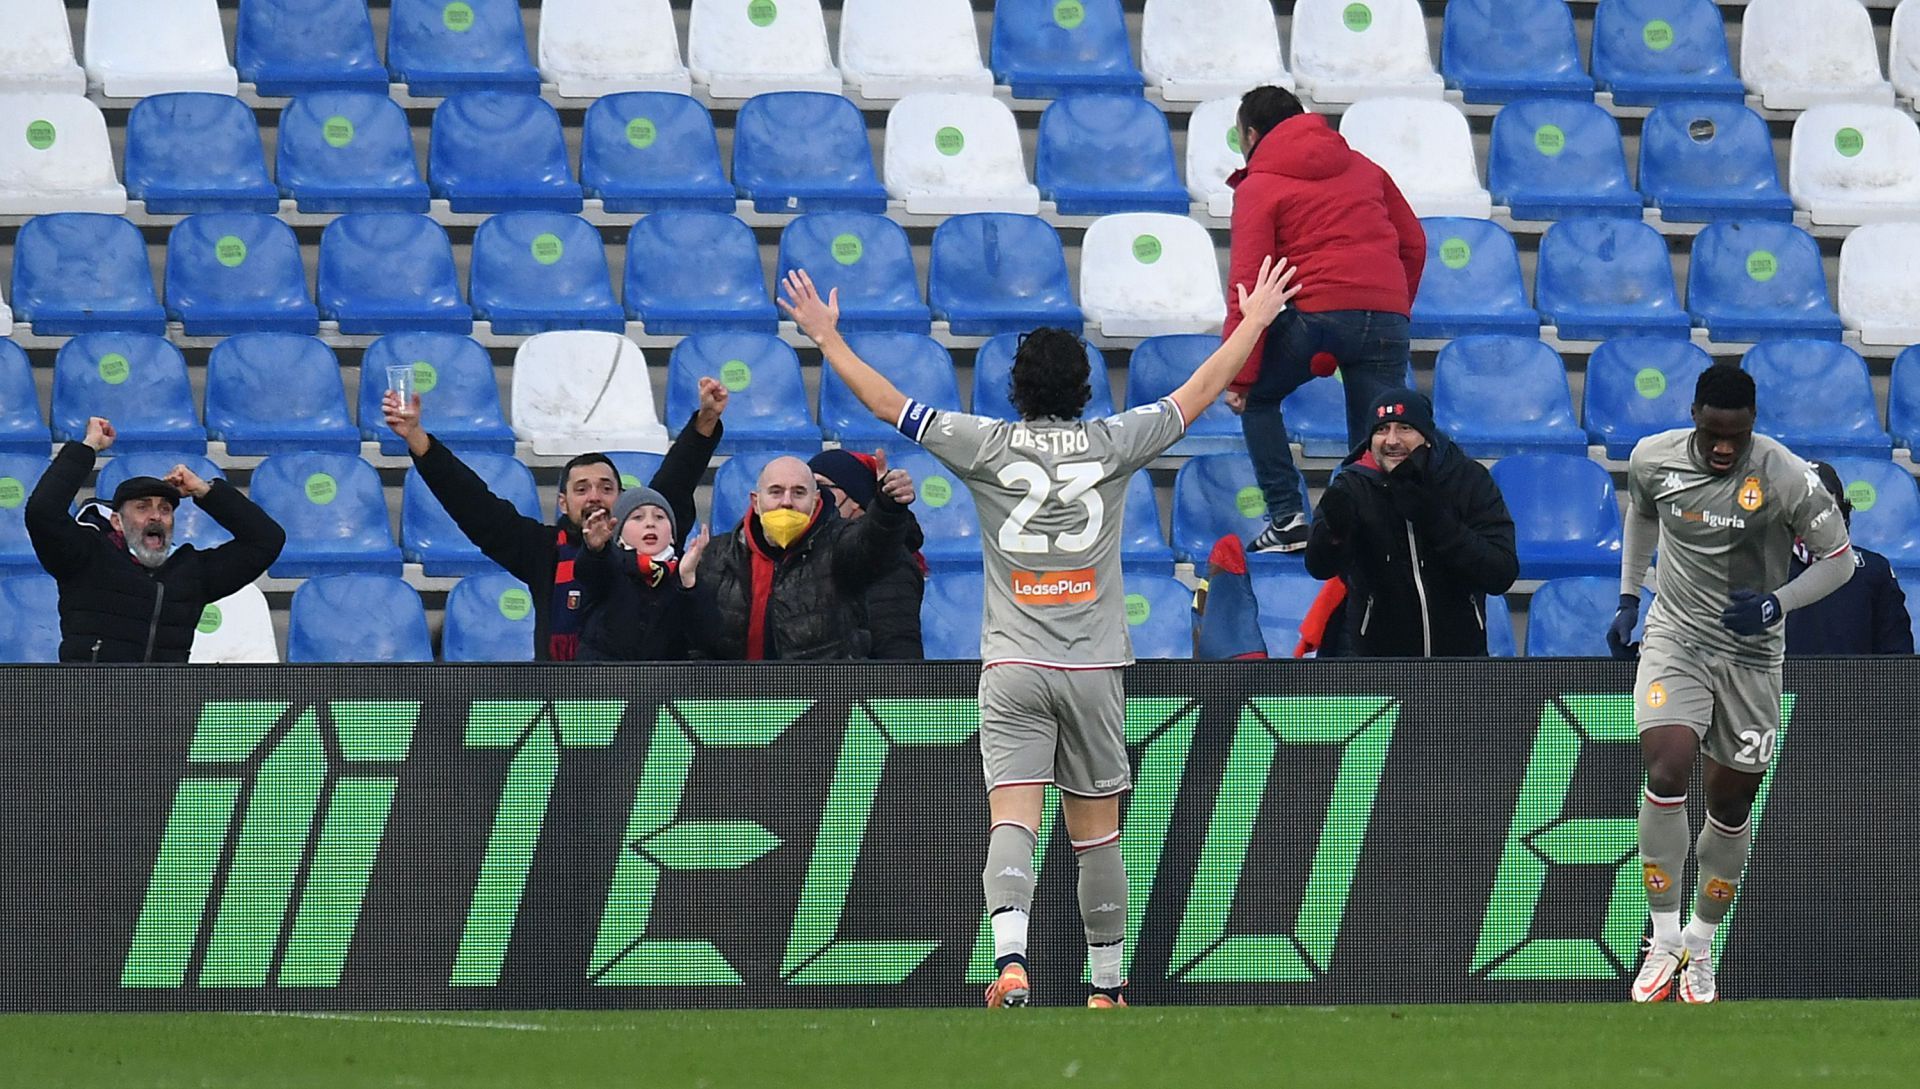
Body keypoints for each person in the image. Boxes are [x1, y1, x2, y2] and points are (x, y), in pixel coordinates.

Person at [779, 255, 1300, 1009]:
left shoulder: (986, 443)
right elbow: (1197, 393)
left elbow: (891, 403)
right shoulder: (1115, 441)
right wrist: (1252, 323)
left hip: (1014, 663)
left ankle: (1012, 961)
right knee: (1097, 835)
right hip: (1093, 666)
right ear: (1085, 389)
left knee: (1014, 818)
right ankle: (1106, 988)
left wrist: (827, 337)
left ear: (1015, 389)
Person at [1610, 365, 1854, 1004]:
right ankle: (1663, 937)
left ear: (1753, 425)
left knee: (1731, 803)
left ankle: (1700, 942)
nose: (1724, 447)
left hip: (1751, 658)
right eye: (1713, 433)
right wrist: (1630, 596)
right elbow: (1642, 515)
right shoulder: (1653, 459)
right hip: (1677, 638)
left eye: (1736, 436)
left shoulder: (1785, 475)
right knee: (1666, 766)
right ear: (1693, 415)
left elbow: (1840, 561)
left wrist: (1778, 603)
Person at [383, 378, 727, 661]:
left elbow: (678, 478)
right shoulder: (543, 550)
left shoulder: (650, 534)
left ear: (622, 499)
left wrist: (706, 420)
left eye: (606, 488)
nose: (595, 496)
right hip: (561, 700)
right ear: (563, 502)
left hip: (650, 699)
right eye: (582, 489)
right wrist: (417, 439)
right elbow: (474, 506)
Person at [1221, 85, 1426, 554]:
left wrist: (1240, 375)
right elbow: (1414, 243)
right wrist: (1393, 307)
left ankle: (1287, 518)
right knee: (1377, 432)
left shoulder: (1259, 184)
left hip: (1316, 317)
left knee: (1257, 399)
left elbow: (1247, 285)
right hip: (1386, 314)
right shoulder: (1367, 168)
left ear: (1250, 135)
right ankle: (1363, 530)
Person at [25, 416, 285, 662]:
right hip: (89, 693)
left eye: (165, 509)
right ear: (117, 522)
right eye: (142, 507)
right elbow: (42, 512)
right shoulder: (86, 556)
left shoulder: (192, 573)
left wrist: (205, 491)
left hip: (166, 694)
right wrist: (88, 446)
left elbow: (267, 540)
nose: (156, 516)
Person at [1302, 390, 1518, 657]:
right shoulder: (1351, 487)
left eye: (1405, 428)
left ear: (1426, 437)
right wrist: (1333, 534)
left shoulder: (1468, 479)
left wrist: (1436, 520)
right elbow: (1319, 567)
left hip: (1461, 661)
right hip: (1378, 664)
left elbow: (1501, 573)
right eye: (1382, 430)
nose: (1392, 440)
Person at [691, 454, 916, 660]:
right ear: (755, 502)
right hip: (734, 690)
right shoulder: (717, 555)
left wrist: (888, 509)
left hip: (823, 690)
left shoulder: (839, 543)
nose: (786, 502)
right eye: (776, 491)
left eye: (799, 493)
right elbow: (697, 642)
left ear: (816, 501)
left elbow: (873, 547)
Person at [809, 448, 927, 659]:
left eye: (821, 486)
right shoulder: (815, 550)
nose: (814, 496)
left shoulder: (889, 561)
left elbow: (899, 656)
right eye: (807, 489)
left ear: (856, 499)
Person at [1786, 461, 1913, 655]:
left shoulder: (1873, 571)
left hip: (1860, 677)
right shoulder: (1761, 573)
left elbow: (1897, 659)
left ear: (1841, 512)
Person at [573, 486, 711, 661]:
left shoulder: (686, 573)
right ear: (618, 534)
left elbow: (708, 638)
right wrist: (594, 550)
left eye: (659, 517)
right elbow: (588, 572)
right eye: (637, 517)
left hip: (667, 677)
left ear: (672, 536)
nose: (650, 523)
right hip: (606, 675)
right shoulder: (608, 566)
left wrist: (688, 582)